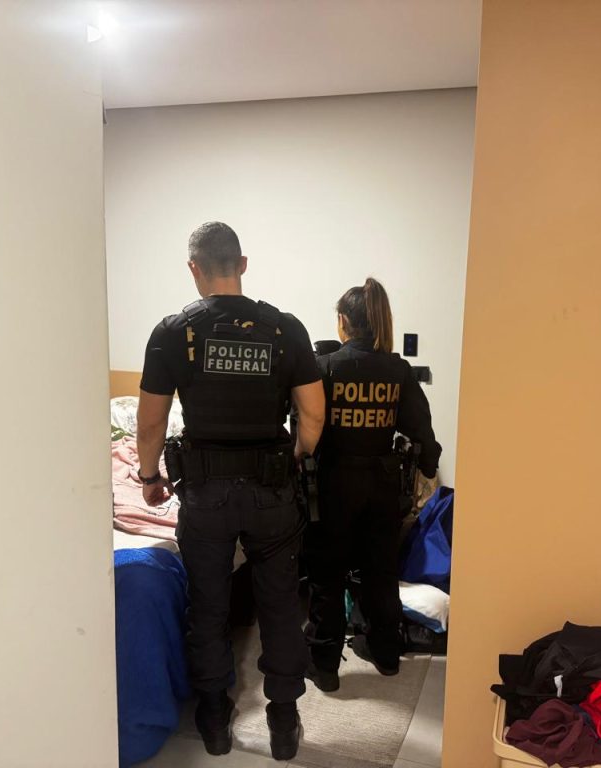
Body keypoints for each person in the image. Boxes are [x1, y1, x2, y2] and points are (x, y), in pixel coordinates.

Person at [136, 222, 325, 760]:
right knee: (280, 605)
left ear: (193, 268)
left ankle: (215, 720)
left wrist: (149, 478)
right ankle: (283, 722)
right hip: (272, 492)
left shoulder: (172, 333)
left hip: (205, 494)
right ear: (242, 264)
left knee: (208, 606)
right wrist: (295, 455)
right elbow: (314, 415)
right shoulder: (286, 329)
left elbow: (150, 424)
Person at [304, 277, 441, 692]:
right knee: (380, 572)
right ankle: (386, 655)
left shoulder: (325, 367)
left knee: (327, 575)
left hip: (334, 484)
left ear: (343, 322)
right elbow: (421, 431)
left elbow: (306, 428)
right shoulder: (397, 370)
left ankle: (325, 666)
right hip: (382, 485)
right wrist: (429, 465)